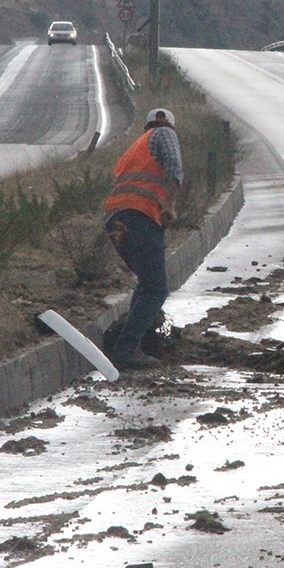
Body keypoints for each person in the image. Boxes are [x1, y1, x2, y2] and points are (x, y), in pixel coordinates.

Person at [103, 107, 184, 371]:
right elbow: (174, 167)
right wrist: (169, 205)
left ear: (144, 126)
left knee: (147, 283)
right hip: (138, 217)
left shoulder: (136, 147)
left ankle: (135, 340)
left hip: (116, 220)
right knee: (157, 288)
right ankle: (127, 348)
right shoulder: (165, 133)